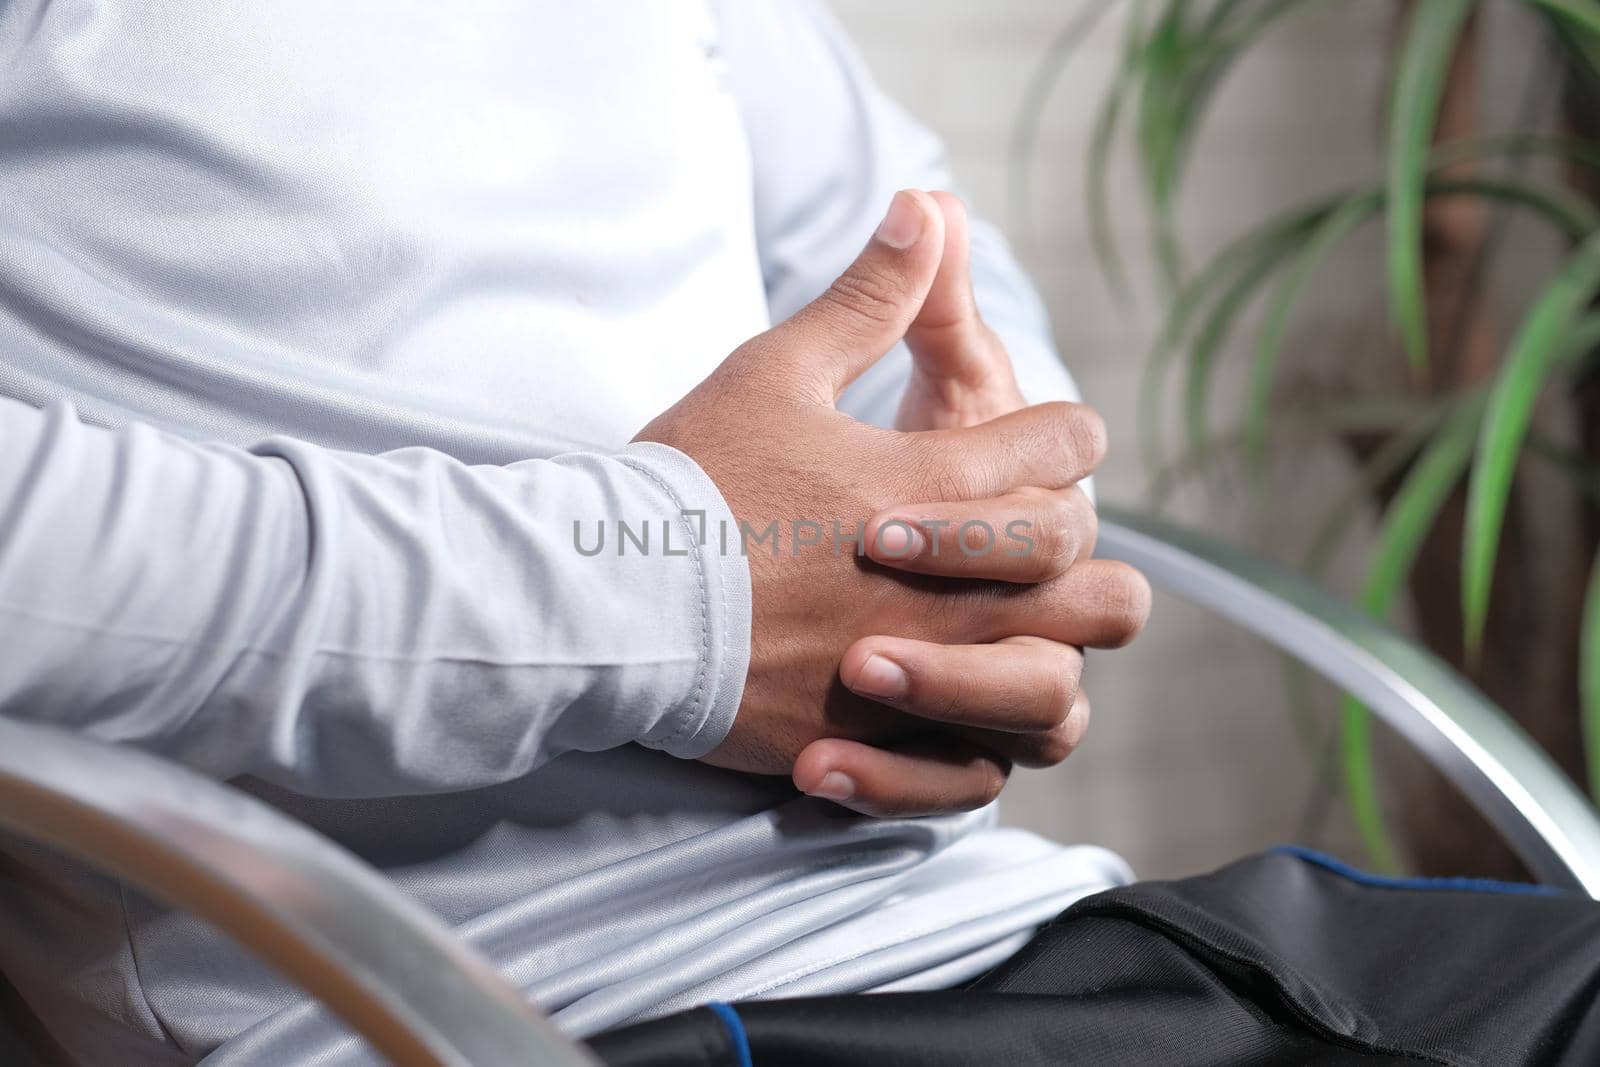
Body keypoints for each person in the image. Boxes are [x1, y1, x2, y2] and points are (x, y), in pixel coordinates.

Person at [0, 1, 1152, 1061]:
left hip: (1016, 926)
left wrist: (966, 525)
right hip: (517, 1019)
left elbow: (905, 224)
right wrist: (683, 592)